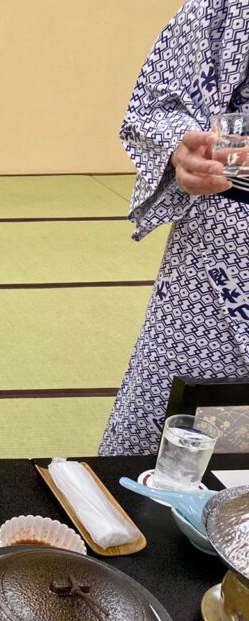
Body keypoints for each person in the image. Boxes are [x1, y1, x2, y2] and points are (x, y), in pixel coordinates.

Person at [99, 0, 249, 455]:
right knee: (174, 433)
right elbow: (156, 104)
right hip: (224, 250)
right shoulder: (228, 7)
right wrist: (188, 149)